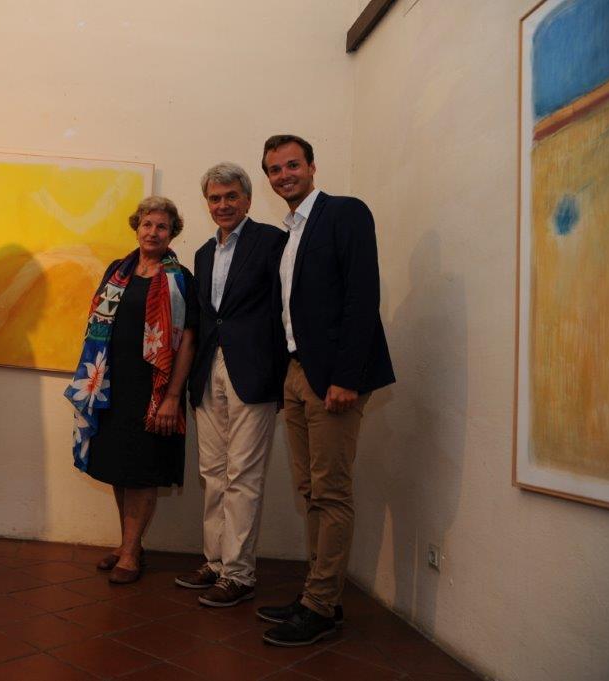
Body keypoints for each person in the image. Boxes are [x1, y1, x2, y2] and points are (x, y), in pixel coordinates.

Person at [255, 135, 395, 646]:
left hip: (334, 376)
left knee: (331, 492)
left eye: (292, 165)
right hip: (297, 374)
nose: (284, 175)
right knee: (310, 491)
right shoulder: (290, 232)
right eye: (275, 169)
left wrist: (347, 377)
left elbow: (362, 295)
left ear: (312, 167)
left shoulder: (344, 212)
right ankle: (319, 597)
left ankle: (319, 605)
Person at [65, 196, 199, 585]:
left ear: (172, 233)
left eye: (162, 226)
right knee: (119, 468)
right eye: (147, 224)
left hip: (153, 389)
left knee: (142, 471)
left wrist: (172, 396)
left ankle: (129, 553)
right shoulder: (117, 271)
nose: (153, 232)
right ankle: (129, 544)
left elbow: (188, 342)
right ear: (136, 227)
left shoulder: (180, 279)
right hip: (112, 385)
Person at [176, 163, 288, 607]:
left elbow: (283, 309)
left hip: (253, 372)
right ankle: (216, 561)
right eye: (215, 198)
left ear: (247, 199)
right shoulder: (204, 253)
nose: (222, 205)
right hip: (209, 372)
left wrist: (280, 372)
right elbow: (209, 318)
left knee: (243, 475)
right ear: (207, 203)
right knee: (213, 473)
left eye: (230, 196)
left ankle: (239, 574)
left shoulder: (272, 242)